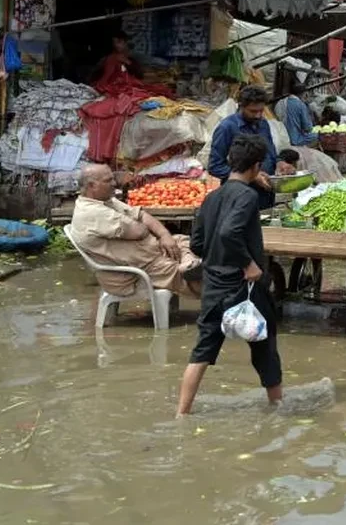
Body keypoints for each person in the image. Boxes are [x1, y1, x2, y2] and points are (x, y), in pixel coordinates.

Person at [176, 135, 282, 416]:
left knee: (203, 351)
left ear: (229, 162)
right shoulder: (247, 196)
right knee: (265, 348)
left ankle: (182, 413)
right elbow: (229, 232)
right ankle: (278, 408)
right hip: (243, 285)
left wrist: (218, 257)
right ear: (256, 166)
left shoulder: (211, 198)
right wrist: (248, 264)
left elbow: (197, 244)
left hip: (213, 285)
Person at [70, 163, 201, 298]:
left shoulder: (106, 201)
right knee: (204, 281)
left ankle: (188, 264)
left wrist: (164, 234)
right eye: (108, 180)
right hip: (138, 270)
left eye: (112, 178)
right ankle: (194, 273)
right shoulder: (91, 212)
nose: (114, 183)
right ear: (92, 186)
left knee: (182, 241)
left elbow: (142, 215)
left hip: (152, 254)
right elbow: (140, 231)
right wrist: (144, 227)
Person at [208, 84, 277, 209]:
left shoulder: (263, 124)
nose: (258, 115)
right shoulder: (226, 128)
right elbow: (215, 166)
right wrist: (252, 176)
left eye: (261, 111)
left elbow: (271, 154)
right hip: (239, 198)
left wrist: (281, 162)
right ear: (241, 106)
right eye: (253, 111)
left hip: (265, 195)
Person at [276, 80, 317, 147]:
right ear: (303, 93)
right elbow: (307, 127)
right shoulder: (301, 105)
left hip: (281, 135)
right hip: (294, 139)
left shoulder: (280, 102)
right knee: (316, 135)